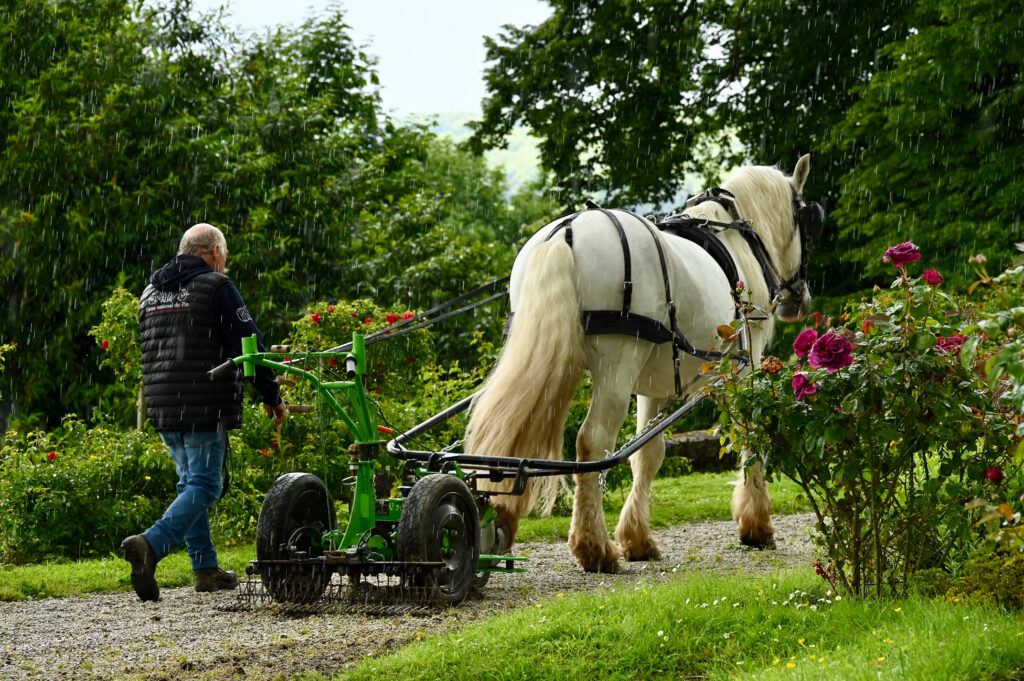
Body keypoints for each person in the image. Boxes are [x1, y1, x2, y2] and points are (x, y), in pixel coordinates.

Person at [122, 223, 287, 602]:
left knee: (190, 484)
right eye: (224, 257)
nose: (225, 265)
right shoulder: (217, 287)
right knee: (206, 484)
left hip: (163, 406)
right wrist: (271, 395)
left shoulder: (151, 292)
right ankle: (151, 544)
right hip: (203, 403)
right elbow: (251, 346)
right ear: (213, 252)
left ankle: (205, 568)